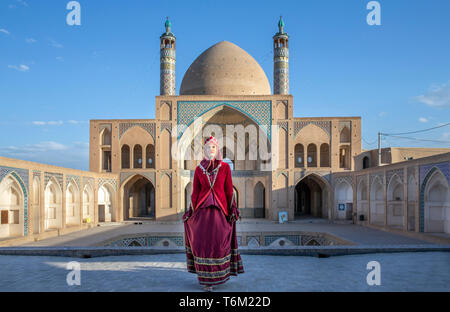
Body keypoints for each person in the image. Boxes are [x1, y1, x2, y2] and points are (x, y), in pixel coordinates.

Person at [183, 135, 244, 291]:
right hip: (202, 212)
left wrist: (232, 210)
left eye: (213, 147)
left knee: (218, 244)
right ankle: (206, 281)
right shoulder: (198, 169)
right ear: (204, 150)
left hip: (220, 211)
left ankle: (219, 276)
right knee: (203, 244)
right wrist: (191, 212)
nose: (210, 150)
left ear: (217, 150)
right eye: (207, 147)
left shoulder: (224, 168)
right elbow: (195, 192)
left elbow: (229, 191)